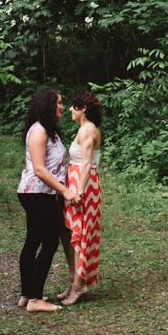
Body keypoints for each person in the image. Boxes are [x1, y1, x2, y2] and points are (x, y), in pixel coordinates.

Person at [16, 88, 75, 314]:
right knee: (49, 242)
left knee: (33, 239)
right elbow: (40, 169)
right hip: (37, 193)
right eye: (59, 103)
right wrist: (65, 190)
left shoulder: (49, 130)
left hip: (40, 193)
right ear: (48, 105)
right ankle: (36, 299)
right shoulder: (39, 131)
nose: (61, 106)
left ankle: (26, 294)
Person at [59, 89, 103, 306]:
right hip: (79, 182)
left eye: (73, 106)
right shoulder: (85, 128)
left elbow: (86, 163)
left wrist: (78, 192)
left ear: (83, 108)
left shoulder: (88, 130)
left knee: (80, 235)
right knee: (75, 234)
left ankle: (79, 285)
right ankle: (75, 281)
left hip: (83, 185)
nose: (69, 109)